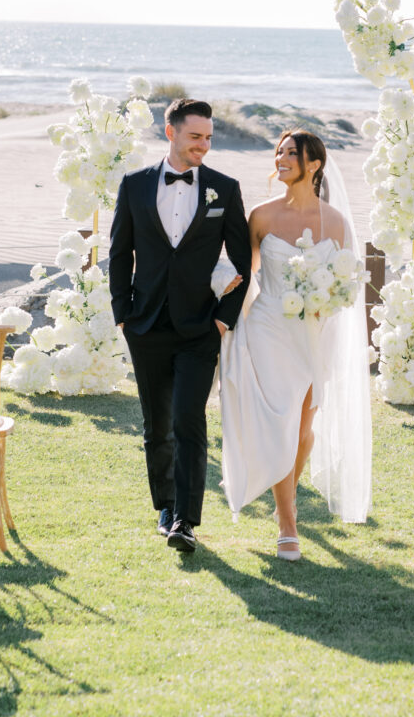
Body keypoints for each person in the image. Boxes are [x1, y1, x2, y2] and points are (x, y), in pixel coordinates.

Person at [220, 129, 372, 560]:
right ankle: (288, 521)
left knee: (303, 432)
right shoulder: (261, 216)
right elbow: (243, 275)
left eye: (291, 153)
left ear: (314, 164)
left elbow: (346, 283)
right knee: (280, 423)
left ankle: (284, 498)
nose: (281, 158)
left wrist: (328, 302)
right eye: (279, 152)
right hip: (268, 327)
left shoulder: (336, 222)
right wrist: (231, 323)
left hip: (314, 336)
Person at [109, 98, 251, 555]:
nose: (204, 146)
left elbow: (244, 260)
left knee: (189, 419)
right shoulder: (133, 186)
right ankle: (165, 508)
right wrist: (122, 315)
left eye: (209, 138)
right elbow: (118, 254)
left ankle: (186, 521)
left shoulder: (224, 189)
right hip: (145, 325)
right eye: (195, 137)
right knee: (157, 425)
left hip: (199, 328)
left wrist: (224, 320)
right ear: (170, 133)